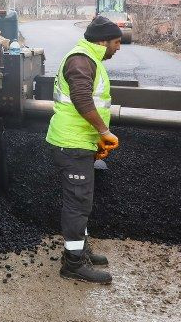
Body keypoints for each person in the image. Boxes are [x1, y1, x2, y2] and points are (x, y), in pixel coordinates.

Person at [45, 16, 123, 284]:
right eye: (116, 42)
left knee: (81, 202)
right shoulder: (81, 60)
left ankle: (80, 249)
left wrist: (96, 139)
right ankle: (73, 264)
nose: (118, 47)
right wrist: (103, 131)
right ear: (102, 41)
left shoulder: (89, 58)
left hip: (80, 142)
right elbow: (81, 99)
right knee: (77, 204)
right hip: (71, 143)